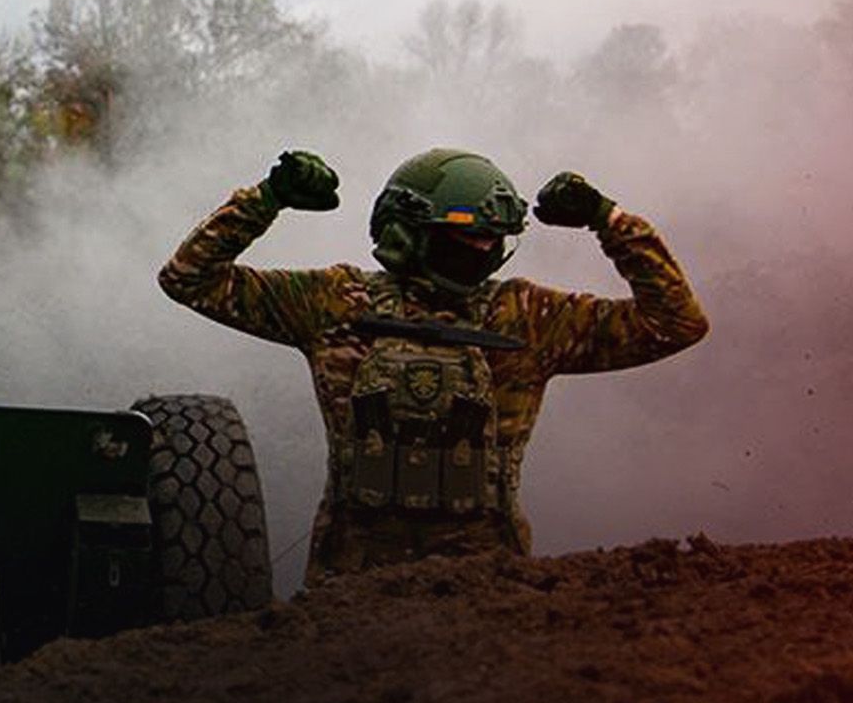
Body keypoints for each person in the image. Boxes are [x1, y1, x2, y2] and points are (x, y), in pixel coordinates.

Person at [158, 148, 709, 584]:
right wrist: (267, 198)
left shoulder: (528, 317)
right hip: (350, 592)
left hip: (488, 589)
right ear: (404, 233)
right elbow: (188, 278)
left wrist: (607, 219)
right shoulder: (335, 301)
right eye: (465, 235)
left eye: (492, 239)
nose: (482, 249)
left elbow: (675, 323)